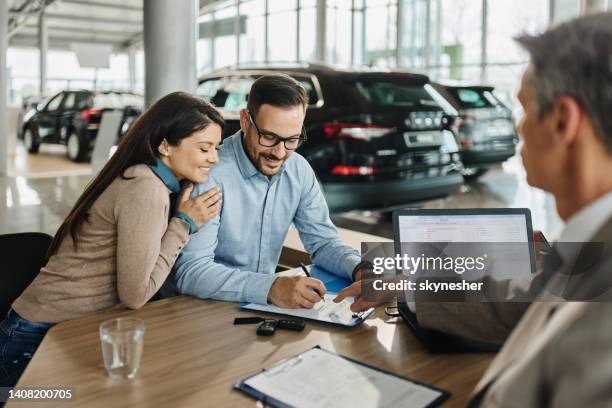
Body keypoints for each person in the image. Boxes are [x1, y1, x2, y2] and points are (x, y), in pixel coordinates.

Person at [338, 12, 612, 407]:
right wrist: (408, 283)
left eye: (524, 109)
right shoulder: (590, 246)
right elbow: (520, 299)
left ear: (563, 121)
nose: (518, 128)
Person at [0, 92, 224, 388]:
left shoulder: (144, 178)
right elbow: (135, 295)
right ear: (165, 146)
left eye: (217, 148)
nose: (215, 158)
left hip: (67, 330)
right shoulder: (145, 188)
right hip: (36, 337)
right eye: (204, 148)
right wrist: (183, 225)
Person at [166, 74, 366, 308]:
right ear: (244, 120)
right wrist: (270, 287)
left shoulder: (298, 169)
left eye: (292, 139)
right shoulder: (210, 172)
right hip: (205, 311)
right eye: (269, 137)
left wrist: (361, 269)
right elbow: (191, 272)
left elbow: (324, 243)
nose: (279, 153)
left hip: (264, 311)